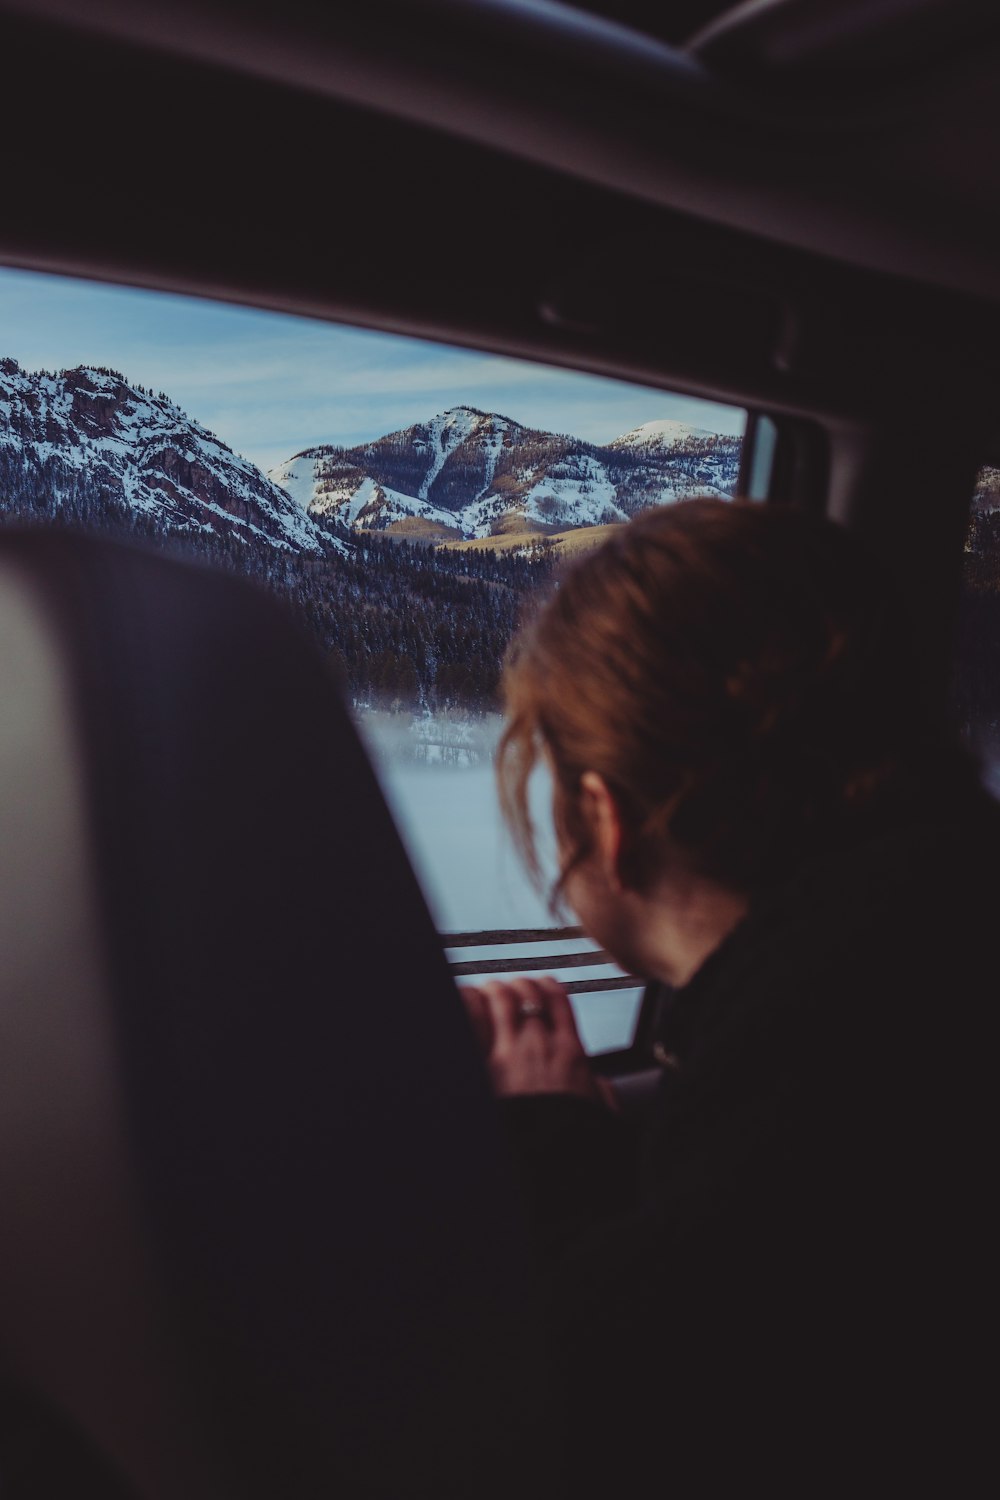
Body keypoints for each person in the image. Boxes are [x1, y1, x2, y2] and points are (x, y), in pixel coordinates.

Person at [460, 498, 997, 1497]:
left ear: (599, 817)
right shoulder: (934, 942)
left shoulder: (820, 1084)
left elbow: (619, 1414)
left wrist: (559, 1153)